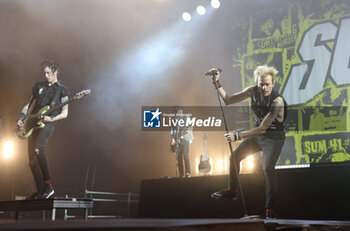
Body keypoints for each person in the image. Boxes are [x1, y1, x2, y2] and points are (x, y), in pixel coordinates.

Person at [208, 65, 286, 219]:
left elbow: (263, 128)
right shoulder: (252, 91)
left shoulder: (278, 102)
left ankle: (271, 210)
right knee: (234, 157)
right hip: (258, 137)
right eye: (260, 84)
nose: (264, 87)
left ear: (273, 83)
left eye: (267, 84)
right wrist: (217, 82)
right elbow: (228, 100)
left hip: (274, 138)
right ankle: (232, 190)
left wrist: (237, 135)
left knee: (268, 168)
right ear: (257, 83)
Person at [17, 59, 70, 199]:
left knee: (38, 149)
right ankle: (41, 190)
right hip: (33, 123)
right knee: (31, 161)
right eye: (44, 73)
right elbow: (28, 105)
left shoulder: (62, 90)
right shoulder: (38, 86)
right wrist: (21, 118)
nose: (46, 76)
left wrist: (51, 119)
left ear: (55, 72)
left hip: (48, 122)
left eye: (48, 73)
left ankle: (49, 186)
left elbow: (65, 113)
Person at [170, 107, 193, 178]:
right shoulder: (174, 120)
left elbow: (190, 127)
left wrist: (187, 135)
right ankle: (181, 174)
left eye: (180, 112)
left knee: (185, 156)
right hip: (178, 141)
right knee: (179, 158)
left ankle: (188, 173)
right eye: (177, 112)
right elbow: (172, 130)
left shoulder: (187, 117)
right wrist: (172, 140)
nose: (179, 113)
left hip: (186, 140)